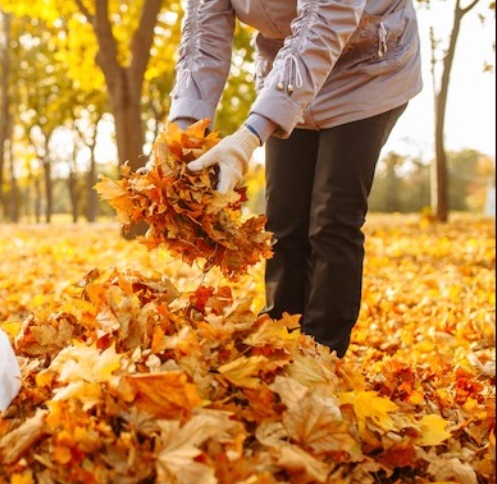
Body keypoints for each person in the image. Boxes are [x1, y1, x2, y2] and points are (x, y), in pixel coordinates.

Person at [167, 0, 422, 358]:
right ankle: (278, 341)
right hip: (286, 75)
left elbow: (324, 25)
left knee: (332, 219)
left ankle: (322, 355)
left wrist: (249, 136)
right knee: (284, 221)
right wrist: (182, 139)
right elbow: (202, 40)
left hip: (366, 70)